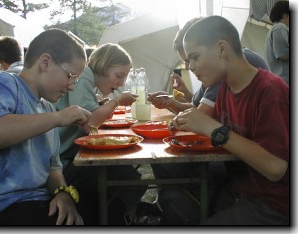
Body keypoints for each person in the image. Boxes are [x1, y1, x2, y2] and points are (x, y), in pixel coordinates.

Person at [147, 17, 271, 225]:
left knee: (172, 169)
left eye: (193, 58)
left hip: (269, 201)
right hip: (242, 183)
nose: (190, 67)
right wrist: (175, 104)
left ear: (221, 48)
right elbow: (199, 112)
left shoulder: (266, 89)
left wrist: (214, 129)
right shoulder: (225, 85)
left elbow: (276, 168)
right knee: (173, 190)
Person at [0, 29, 94, 225]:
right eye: (71, 76)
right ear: (45, 62)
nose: (72, 86)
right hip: (2, 207)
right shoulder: (3, 83)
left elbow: (53, 165)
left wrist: (62, 192)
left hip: (39, 201)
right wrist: (58, 117)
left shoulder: (47, 108)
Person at [54, 43, 149, 225]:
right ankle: (117, 218)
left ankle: (114, 215)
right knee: (129, 179)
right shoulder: (84, 77)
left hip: (68, 155)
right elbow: (90, 123)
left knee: (128, 175)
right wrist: (117, 101)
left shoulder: (88, 81)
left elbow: (87, 114)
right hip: (62, 163)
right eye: (118, 76)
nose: (120, 83)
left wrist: (103, 104)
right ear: (103, 66)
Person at [264, 0, 289, 85]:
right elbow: (282, 54)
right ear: (284, 14)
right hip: (284, 81)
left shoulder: (274, 28)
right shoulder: (280, 27)